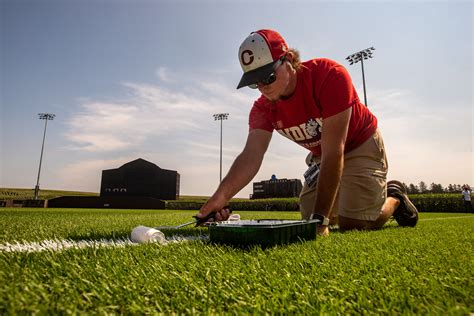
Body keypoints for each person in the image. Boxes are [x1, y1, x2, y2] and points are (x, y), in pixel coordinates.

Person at [197, 29, 418, 235]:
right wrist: (220, 197)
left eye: (268, 76)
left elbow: (335, 150)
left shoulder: (329, 75)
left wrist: (320, 219)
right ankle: (348, 203)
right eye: (255, 82)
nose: (263, 87)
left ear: (290, 60)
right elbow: (250, 156)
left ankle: (394, 196)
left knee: (355, 224)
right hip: (323, 153)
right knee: (307, 219)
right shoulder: (262, 107)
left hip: (359, 142)